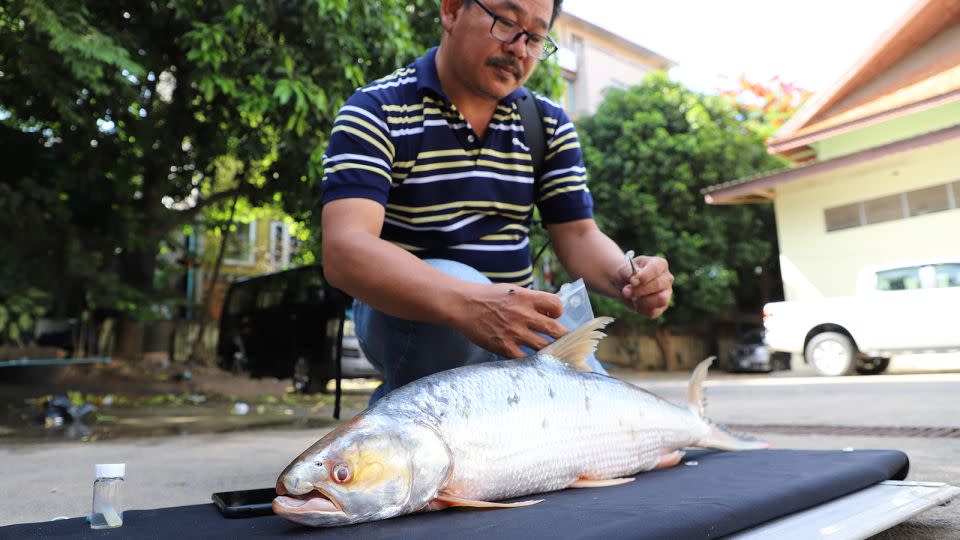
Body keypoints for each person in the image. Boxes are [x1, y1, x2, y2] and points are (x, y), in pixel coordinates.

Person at [321, 0, 673, 402]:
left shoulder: (547, 124)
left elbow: (578, 235)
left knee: (608, 411)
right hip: (409, 319)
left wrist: (628, 276)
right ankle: (412, 418)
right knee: (460, 285)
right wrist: (471, 302)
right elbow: (345, 248)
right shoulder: (377, 110)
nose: (520, 49)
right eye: (506, 23)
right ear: (451, 10)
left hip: (515, 320)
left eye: (537, 37)